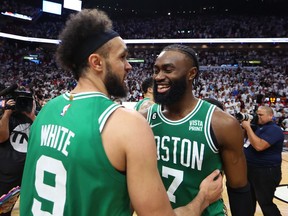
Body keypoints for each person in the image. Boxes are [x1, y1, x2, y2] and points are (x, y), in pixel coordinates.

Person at [20, 9, 223, 216]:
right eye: (123, 57)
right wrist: (202, 199)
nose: (128, 66)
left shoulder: (46, 112)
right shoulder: (127, 124)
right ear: (96, 62)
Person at [145, 44, 253, 216]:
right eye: (156, 70)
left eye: (168, 70)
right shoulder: (145, 118)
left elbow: (239, 188)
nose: (158, 77)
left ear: (191, 73)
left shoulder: (222, 124)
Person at [242, 105, 284, 216]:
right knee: (248, 202)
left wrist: (248, 128)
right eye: (257, 114)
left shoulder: (274, 130)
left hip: (266, 171)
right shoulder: (257, 127)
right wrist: (245, 127)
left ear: (271, 116)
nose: (258, 117)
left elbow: (259, 146)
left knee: (265, 203)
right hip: (251, 169)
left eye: (261, 115)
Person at [0, 93, 36, 216]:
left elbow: (46, 134)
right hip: (7, 175)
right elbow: (1, 137)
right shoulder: (7, 116)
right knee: (4, 208)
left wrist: (32, 116)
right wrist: (6, 113)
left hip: (28, 173)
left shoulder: (36, 118)